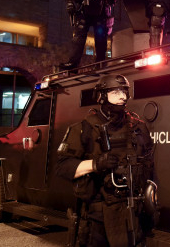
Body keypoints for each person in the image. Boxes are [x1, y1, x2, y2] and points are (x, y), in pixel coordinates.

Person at [56, 74, 155, 247]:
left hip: (133, 212)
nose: (123, 96)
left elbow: (148, 164)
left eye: (124, 91)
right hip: (98, 216)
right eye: (116, 92)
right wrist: (96, 164)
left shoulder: (138, 127)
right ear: (101, 96)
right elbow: (63, 166)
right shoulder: (84, 128)